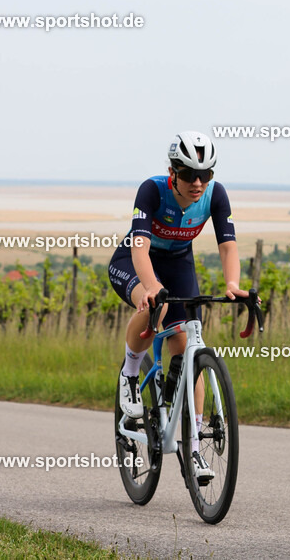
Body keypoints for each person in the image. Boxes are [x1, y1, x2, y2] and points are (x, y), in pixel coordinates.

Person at [108, 131, 247, 483]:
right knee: (153, 307)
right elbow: (139, 246)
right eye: (188, 174)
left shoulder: (215, 195)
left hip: (178, 261)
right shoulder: (152, 190)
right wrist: (151, 287)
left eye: (206, 174)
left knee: (188, 347)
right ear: (173, 171)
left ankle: (194, 445)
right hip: (135, 260)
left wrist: (232, 284)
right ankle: (130, 372)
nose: (198, 183)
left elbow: (228, 246)